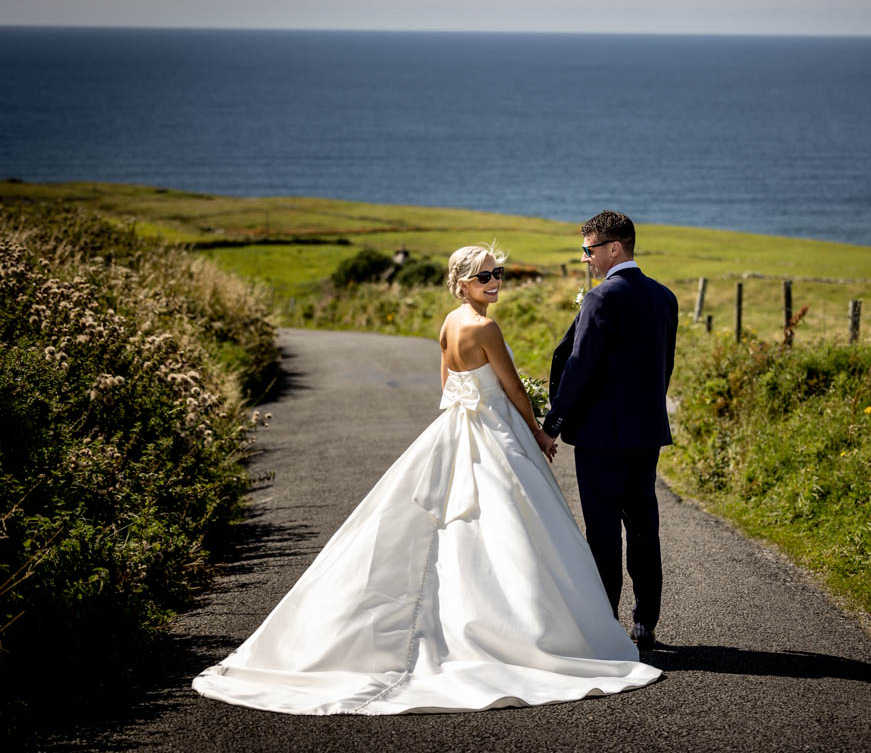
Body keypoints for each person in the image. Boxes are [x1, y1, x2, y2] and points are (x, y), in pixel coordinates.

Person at [192, 243, 660, 715]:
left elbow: (448, 386)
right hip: (494, 432)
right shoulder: (484, 327)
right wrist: (538, 431)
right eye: (484, 277)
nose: (494, 282)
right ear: (461, 284)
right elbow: (512, 386)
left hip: (456, 428)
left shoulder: (449, 324)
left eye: (498, 274)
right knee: (506, 527)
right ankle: (521, 632)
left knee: (452, 525)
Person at [542, 211, 679, 653]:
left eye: (589, 249)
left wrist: (554, 423)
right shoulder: (665, 298)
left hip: (601, 438)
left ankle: (605, 626)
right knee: (643, 526)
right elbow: (665, 369)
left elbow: (580, 368)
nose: (585, 258)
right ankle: (645, 623)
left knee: (602, 531)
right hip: (645, 433)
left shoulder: (602, 298)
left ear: (613, 249)